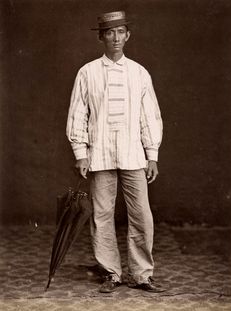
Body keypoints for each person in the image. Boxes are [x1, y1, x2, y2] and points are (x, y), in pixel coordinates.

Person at [66, 11, 163, 293]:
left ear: (128, 35)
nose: (116, 38)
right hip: (100, 154)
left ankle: (143, 274)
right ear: (101, 37)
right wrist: (80, 152)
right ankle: (111, 272)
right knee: (102, 214)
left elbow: (150, 116)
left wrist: (152, 154)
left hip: (134, 154)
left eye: (121, 32)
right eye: (110, 32)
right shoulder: (87, 72)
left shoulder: (139, 73)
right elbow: (78, 114)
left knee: (141, 215)